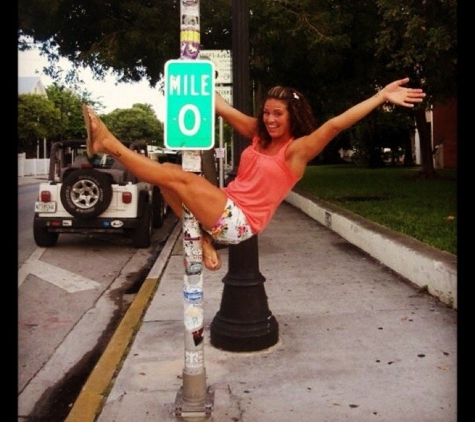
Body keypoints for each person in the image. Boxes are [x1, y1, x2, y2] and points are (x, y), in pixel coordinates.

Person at [82, 77, 425, 271]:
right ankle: (202, 240)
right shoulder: (259, 135)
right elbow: (221, 106)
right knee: (171, 171)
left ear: (293, 117)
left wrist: (380, 95)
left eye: (279, 114)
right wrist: (197, 81)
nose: (271, 119)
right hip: (226, 205)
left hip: (241, 220)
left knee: (180, 179)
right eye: (267, 113)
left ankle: (110, 143)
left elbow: (335, 125)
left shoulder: (296, 151)